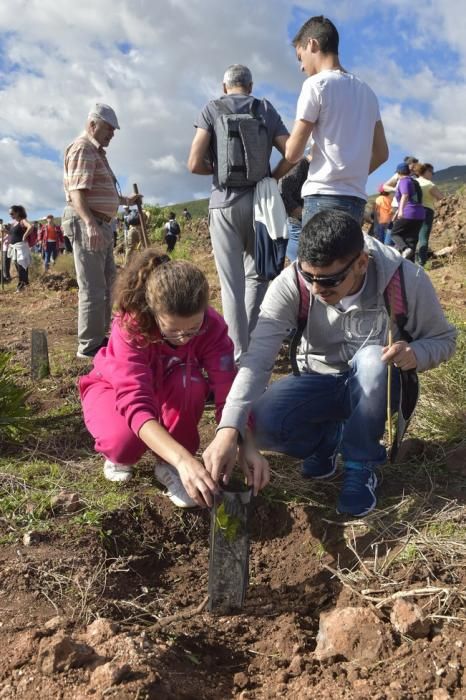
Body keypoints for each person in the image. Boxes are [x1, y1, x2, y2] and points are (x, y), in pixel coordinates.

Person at [203, 210, 457, 518]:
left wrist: (414, 353)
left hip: (376, 387)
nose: (316, 290)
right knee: (263, 421)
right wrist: (230, 428)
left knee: (373, 360)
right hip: (319, 382)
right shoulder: (291, 284)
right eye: (309, 277)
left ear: (362, 263)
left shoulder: (405, 279)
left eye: (330, 280)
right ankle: (327, 441)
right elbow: (257, 360)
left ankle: (361, 465)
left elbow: (444, 340)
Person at [79, 251, 268, 508]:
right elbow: (134, 401)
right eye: (173, 330)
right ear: (154, 313)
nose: (184, 338)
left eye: (192, 329)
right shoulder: (132, 327)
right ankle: (149, 457)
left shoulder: (212, 326)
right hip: (113, 388)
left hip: (170, 383)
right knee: (123, 444)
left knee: (190, 381)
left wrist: (245, 442)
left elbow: (228, 388)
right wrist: (184, 460)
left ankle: (166, 463)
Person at [188, 64, 290, 361]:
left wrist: (218, 171)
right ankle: (253, 348)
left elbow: (193, 163)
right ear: (251, 85)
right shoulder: (265, 109)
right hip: (259, 203)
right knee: (257, 278)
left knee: (231, 285)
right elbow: (292, 153)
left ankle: (237, 354)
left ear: (224, 87)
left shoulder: (212, 109)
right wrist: (272, 176)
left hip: (223, 204)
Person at [285, 15, 389, 227]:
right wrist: (352, 173)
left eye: (299, 57)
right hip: (356, 200)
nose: (301, 67)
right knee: (347, 261)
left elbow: (292, 153)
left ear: (312, 44)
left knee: (315, 260)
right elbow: (382, 153)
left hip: (322, 198)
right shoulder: (367, 92)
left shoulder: (315, 85)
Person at [62, 103, 142, 359]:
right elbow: (77, 193)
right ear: (93, 124)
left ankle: (99, 337)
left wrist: (127, 201)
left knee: (108, 285)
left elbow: (100, 192)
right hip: (90, 223)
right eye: (109, 128)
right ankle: (88, 346)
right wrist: (89, 223)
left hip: (100, 223)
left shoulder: (96, 152)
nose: (113, 134)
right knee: (93, 287)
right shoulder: (83, 148)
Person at [390, 162, 425, 261]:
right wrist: (397, 213)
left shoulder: (404, 181)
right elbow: (415, 198)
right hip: (420, 214)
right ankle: (411, 266)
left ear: (399, 173)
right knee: (411, 240)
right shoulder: (415, 182)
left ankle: (405, 249)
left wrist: (400, 211)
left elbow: (405, 195)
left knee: (394, 233)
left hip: (409, 212)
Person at [411, 163, 443, 266]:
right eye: (431, 172)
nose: (432, 175)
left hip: (411, 211)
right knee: (423, 237)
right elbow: (441, 197)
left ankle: (411, 261)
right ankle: (421, 262)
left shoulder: (412, 182)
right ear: (426, 171)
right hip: (426, 211)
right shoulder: (429, 184)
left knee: (412, 236)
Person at [279, 156, 310, 262]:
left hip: (302, 222)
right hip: (296, 223)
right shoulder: (301, 164)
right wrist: (299, 212)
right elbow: (282, 190)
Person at [7, 205, 35, 291]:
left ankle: (22, 286)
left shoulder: (23, 221)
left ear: (18, 212)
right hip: (14, 248)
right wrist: (6, 232)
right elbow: (12, 234)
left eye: (12, 213)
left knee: (22, 266)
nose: (11, 215)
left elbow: (31, 226)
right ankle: (24, 284)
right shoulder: (13, 223)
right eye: (9, 214)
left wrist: (25, 236)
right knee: (18, 267)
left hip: (21, 247)